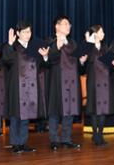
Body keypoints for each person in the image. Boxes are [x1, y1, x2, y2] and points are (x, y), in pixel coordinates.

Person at [1, 21, 46, 153]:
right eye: (25, 32)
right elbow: (6, 60)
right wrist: (9, 44)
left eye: (29, 32)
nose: (28, 34)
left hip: (31, 87)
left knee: (27, 116)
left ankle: (24, 142)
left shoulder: (34, 48)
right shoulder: (13, 47)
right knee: (16, 117)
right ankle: (15, 143)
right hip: (17, 87)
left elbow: (41, 66)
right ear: (18, 33)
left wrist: (44, 57)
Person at [43, 16, 86, 151]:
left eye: (69, 24)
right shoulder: (50, 41)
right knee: (54, 112)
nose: (69, 26)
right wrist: (57, 46)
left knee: (70, 111)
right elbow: (48, 60)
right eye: (66, 24)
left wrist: (82, 62)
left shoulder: (73, 43)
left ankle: (66, 139)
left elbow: (80, 69)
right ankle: (54, 140)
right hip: (56, 82)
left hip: (72, 83)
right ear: (57, 26)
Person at [82, 25, 114, 146]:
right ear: (94, 33)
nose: (103, 34)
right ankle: (96, 135)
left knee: (103, 109)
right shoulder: (89, 48)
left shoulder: (105, 47)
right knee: (95, 109)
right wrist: (87, 42)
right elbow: (84, 63)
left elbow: (110, 63)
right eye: (101, 32)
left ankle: (100, 134)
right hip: (94, 82)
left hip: (105, 82)